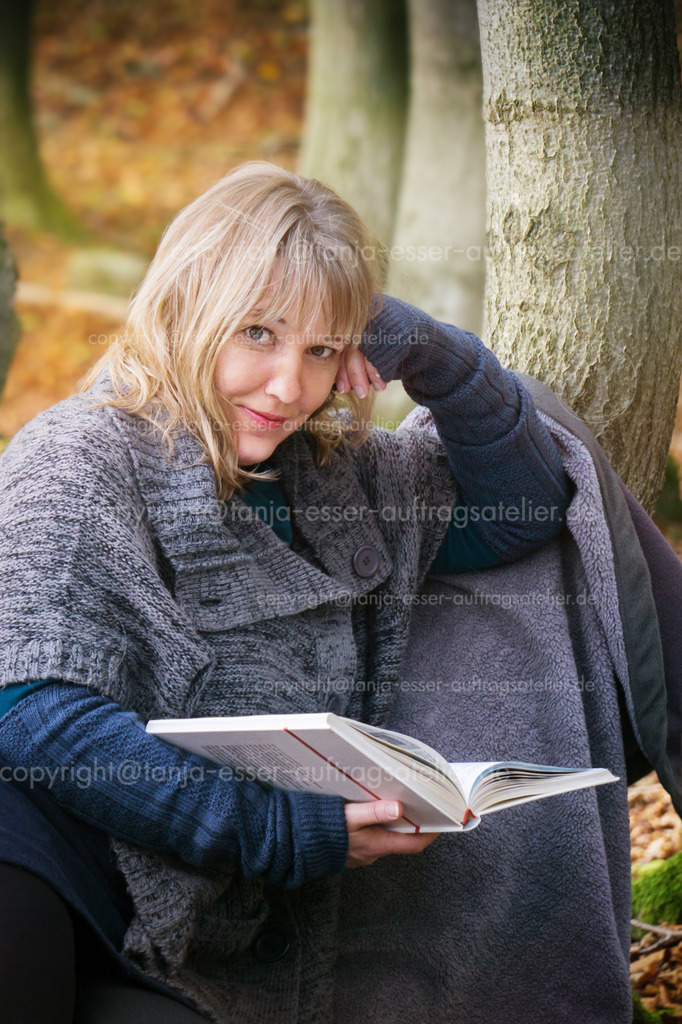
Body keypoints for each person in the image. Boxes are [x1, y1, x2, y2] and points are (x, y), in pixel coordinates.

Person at [0, 161, 574, 1024]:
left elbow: (521, 514)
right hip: (40, 862)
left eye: (321, 350)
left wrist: (438, 358)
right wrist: (280, 831)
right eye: (258, 333)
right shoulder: (80, 455)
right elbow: (31, 711)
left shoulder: (340, 473)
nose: (287, 389)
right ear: (185, 302)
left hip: (201, 927)